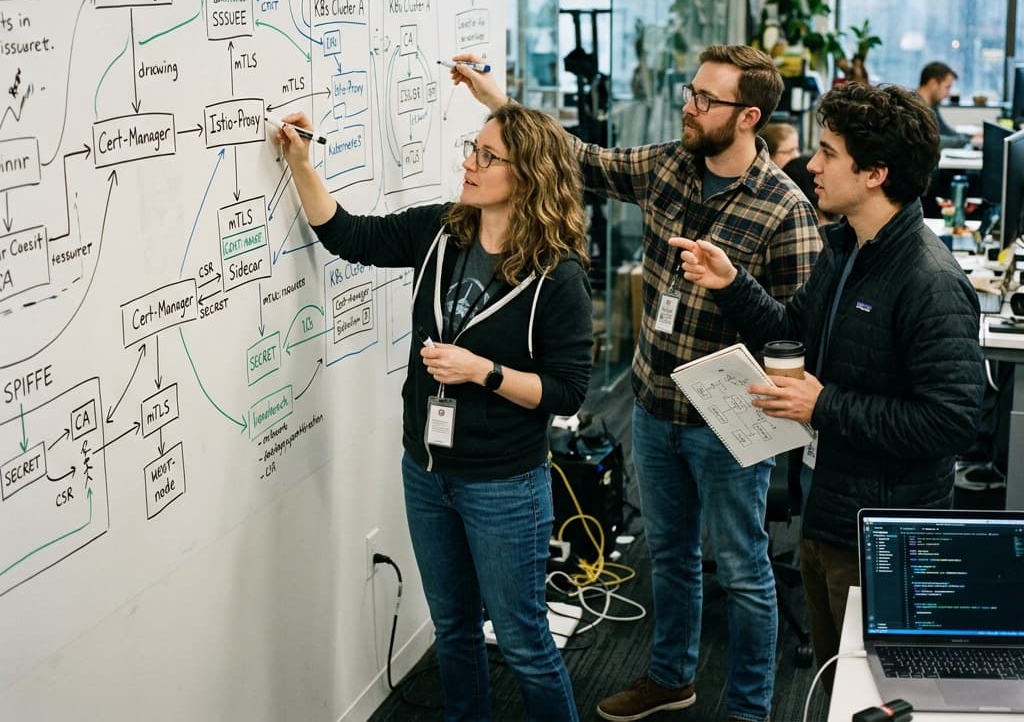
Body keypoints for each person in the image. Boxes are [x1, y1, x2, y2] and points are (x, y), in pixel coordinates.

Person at [450, 45, 821, 722]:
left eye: (706, 99)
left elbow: (798, 337)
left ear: (748, 117)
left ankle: (749, 708)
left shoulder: (785, 209)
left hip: (730, 420)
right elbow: (577, 157)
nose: (689, 106)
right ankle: (671, 678)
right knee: (670, 555)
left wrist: (732, 286)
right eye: (691, 91)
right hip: (653, 404)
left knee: (742, 569)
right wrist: (498, 102)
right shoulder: (669, 165)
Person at [272, 103, 593, 722]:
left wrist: (484, 372)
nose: (470, 163)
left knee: (524, 642)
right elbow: (349, 236)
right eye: (473, 148)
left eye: (488, 157)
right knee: (453, 628)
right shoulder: (441, 231)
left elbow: (567, 392)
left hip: (503, 483)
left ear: (528, 175)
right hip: (425, 470)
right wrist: (302, 165)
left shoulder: (558, 276)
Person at [673, 83, 986, 691]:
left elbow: (951, 423)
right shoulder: (845, 249)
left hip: (881, 537)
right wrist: (733, 284)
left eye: (828, 153)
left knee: (876, 694)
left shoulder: (930, 281)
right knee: (836, 683)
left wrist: (824, 405)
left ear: (875, 174)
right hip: (826, 510)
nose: (811, 166)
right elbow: (792, 333)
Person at [917, 61, 973, 149]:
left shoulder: (932, 105)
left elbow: (944, 130)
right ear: (933, 84)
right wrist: (967, 141)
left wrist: (971, 137)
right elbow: (929, 141)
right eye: (947, 87)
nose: (948, 94)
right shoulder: (913, 106)